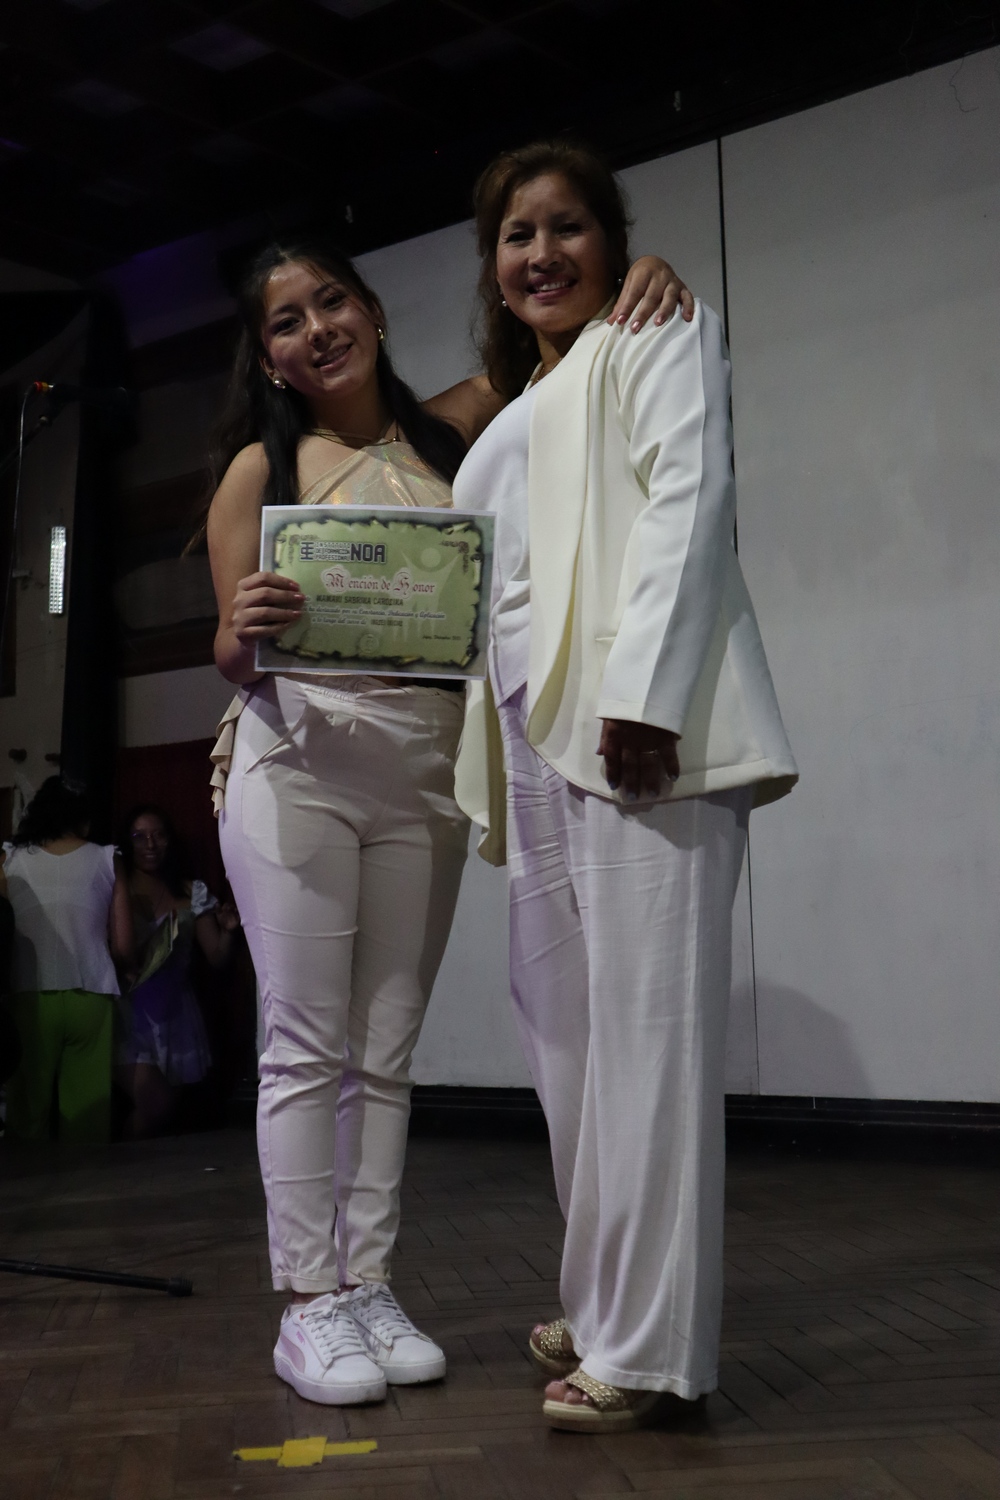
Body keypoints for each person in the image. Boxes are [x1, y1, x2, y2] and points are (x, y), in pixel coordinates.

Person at [205, 230, 690, 1407]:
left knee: (385, 1050)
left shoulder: (455, 425)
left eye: (330, 301)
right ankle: (307, 1305)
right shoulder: (257, 468)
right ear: (267, 358)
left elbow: (558, 331)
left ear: (371, 310)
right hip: (298, 765)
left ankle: (367, 1283)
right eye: (285, 320)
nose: (316, 328)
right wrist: (247, 626)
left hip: (422, 773)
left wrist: (646, 274)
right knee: (303, 1044)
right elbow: (228, 650)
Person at [452, 140, 799, 1433]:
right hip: (533, 743)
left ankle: (648, 1354)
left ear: (613, 240)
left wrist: (643, 694)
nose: (542, 253)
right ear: (492, 266)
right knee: (569, 1048)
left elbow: (687, 503)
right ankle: (603, 1301)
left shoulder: (653, 327)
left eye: (568, 227)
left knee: (649, 1050)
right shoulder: (518, 394)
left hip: (635, 733)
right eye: (517, 235)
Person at [0, 777, 132, 1142]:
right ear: (84, 820)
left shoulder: (9, 860)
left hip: (28, 994)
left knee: (27, 1113)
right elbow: (124, 946)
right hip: (91, 993)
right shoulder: (107, 859)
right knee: (87, 1117)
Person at [118, 804, 240, 1137]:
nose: (150, 844)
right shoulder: (117, 888)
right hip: (129, 1012)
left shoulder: (190, 891)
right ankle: (106, 1160)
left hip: (177, 1014)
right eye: (139, 836)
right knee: (155, 1105)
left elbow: (216, 956)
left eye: (158, 835)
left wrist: (229, 931)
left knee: (168, 1114)